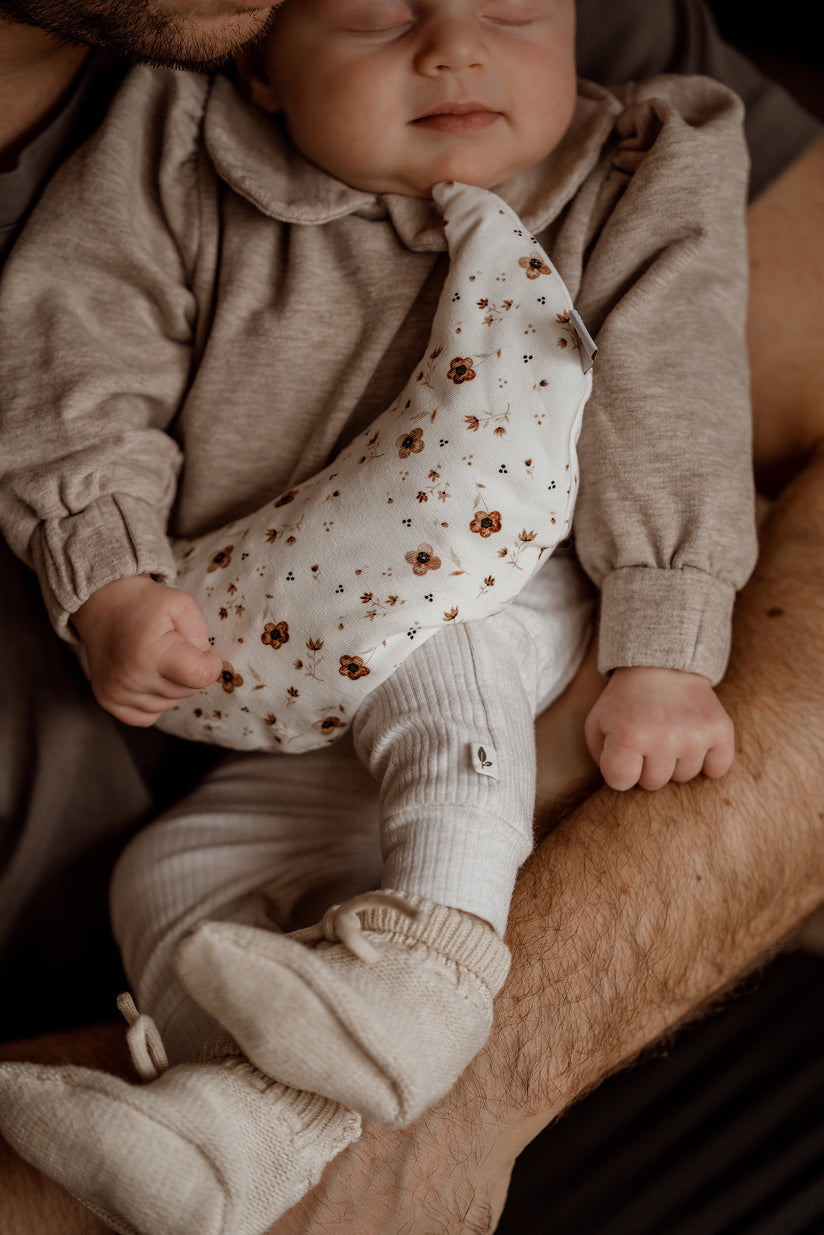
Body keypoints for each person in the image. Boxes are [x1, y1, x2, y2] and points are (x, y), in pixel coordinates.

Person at [0, 2, 822, 1233]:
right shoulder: (177, 151)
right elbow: (78, 369)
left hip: (511, 596)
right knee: (168, 869)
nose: (454, 48)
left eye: (515, 10)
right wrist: (109, 576)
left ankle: (430, 977)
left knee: (447, 659)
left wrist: (663, 641)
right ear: (263, 71)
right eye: (378, 17)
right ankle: (230, 1128)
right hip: (270, 710)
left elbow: (672, 411)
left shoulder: (627, 161)